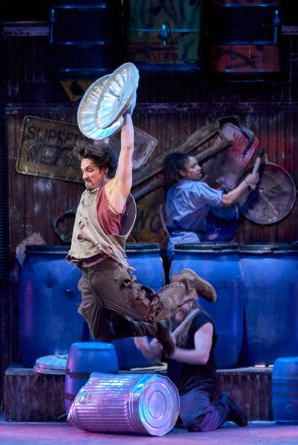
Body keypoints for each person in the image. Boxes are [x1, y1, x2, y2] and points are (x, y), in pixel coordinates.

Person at [67, 110, 217, 356]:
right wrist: (104, 117)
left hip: (109, 271)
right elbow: (99, 146)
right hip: (89, 274)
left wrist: (126, 113)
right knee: (102, 333)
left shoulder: (116, 192)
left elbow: (127, 148)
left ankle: (187, 283)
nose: (85, 174)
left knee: (151, 309)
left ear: (104, 170)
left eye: (91, 169)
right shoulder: (90, 192)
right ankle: (153, 329)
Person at [133, 299, 247, 432]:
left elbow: (202, 356)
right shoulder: (168, 322)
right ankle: (181, 414)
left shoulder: (202, 321)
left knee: (196, 421)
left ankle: (225, 407)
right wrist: (144, 347)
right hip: (176, 387)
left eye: (181, 302)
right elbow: (153, 355)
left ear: (191, 300)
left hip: (199, 385)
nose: (177, 307)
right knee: (152, 417)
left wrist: (172, 351)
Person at [163, 152, 258, 259]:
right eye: (193, 166)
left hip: (173, 242)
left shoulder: (172, 190)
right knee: (191, 270)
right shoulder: (197, 188)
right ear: (183, 172)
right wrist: (246, 182)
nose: (199, 168)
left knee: (177, 270)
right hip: (189, 243)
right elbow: (227, 200)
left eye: (198, 164)